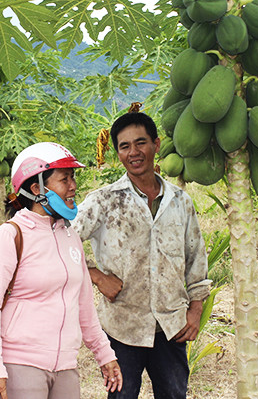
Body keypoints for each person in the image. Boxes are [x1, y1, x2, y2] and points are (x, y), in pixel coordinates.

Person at [72, 112, 211, 399]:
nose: (133, 153)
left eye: (141, 143)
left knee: (173, 395)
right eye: (124, 146)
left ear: (156, 144)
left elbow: (195, 258)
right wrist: (96, 276)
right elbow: (61, 243)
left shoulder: (180, 200)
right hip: (123, 326)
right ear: (117, 153)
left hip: (172, 325)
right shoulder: (104, 200)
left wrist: (195, 310)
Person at [0, 142, 123, 399]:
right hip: (21, 365)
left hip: (66, 366)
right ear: (36, 188)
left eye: (73, 177)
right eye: (64, 179)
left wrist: (105, 355)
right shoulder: (9, 236)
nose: (73, 186)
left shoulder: (71, 238)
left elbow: (84, 306)